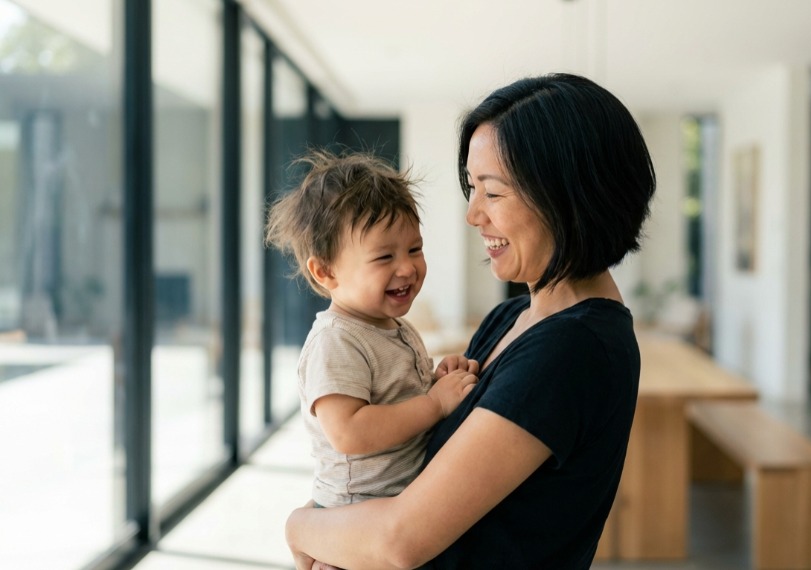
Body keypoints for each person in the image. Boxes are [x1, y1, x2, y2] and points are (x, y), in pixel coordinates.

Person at [285, 73, 656, 569]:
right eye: (472, 188)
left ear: (566, 197)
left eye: (493, 193)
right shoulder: (513, 316)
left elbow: (399, 540)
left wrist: (300, 526)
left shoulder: (573, 349)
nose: (472, 214)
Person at [266, 151, 480, 509]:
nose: (408, 268)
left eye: (415, 249)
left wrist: (435, 379)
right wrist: (433, 403)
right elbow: (349, 431)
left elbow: (396, 395)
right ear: (325, 272)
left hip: (396, 501)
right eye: (385, 257)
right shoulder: (336, 341)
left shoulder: (394, 327)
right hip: (357, 511)